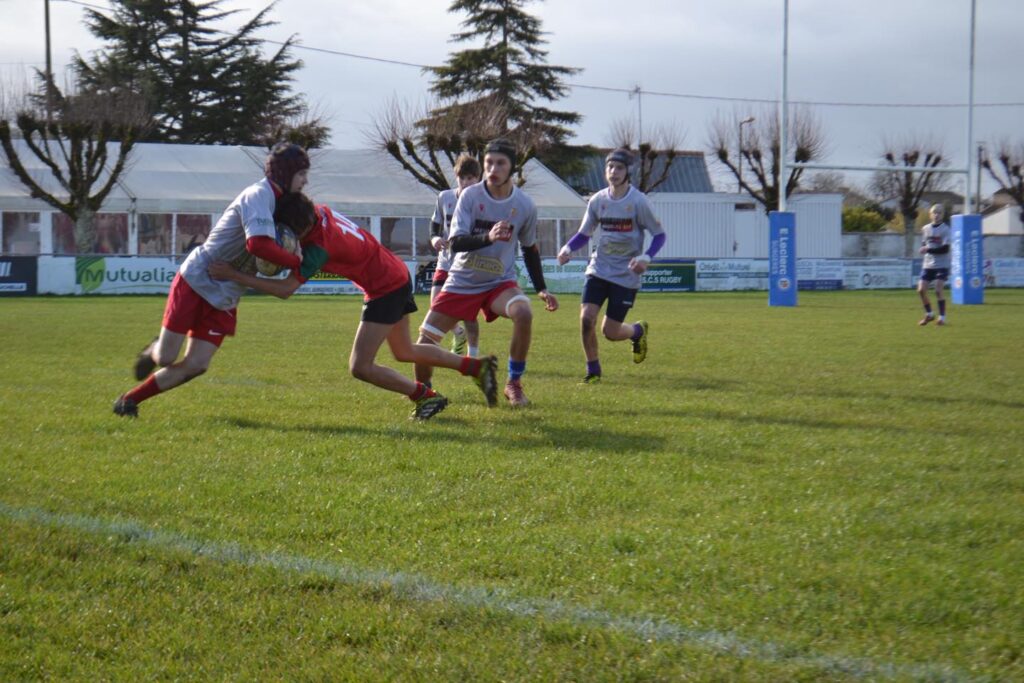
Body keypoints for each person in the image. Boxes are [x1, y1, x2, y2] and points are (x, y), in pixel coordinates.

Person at [208, 193, 499, 421]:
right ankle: (476, 366)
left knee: (360, 366)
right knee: (404, 352)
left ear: (300, 230)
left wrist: (235, 275)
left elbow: (286, 290)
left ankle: (426, 396)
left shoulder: (318, 247)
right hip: (393, 274)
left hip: (385, 286)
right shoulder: (317, 211)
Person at [113, 142, 311, 417]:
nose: (305, 180)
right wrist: (294, 261)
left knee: (197, 364)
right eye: (301, 173)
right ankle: (154, 348)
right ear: (287, 172)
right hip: (198, 279)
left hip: (227, 293)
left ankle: (128, 401)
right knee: (167, 357)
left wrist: (294, 247)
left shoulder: (281, 203)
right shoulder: (258, 195)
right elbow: (258, 246)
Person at [415, 138, 559, 408]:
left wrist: (541, 288)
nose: (493, 168)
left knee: (524, 312)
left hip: (498, 283)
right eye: (489, 162)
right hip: (462, 281)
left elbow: (529, 249)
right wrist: (488, 237)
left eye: (500, 163)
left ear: (512, 167)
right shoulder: (470, 196)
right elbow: (456, 242)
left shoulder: (525, 205)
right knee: (423, 346)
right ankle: (425, 395)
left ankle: (513, 384)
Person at [556, 148, 665, 383]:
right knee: (586, 319)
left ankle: (637, 331)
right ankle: (593, 371)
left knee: (611, 332)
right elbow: (584, 233)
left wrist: (646, 257)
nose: (613, 172)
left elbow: (659, 236)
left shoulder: (638, 202)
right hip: (599, 269)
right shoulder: (598, 200)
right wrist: (567, 248)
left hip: (626, 275)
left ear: (628, 173)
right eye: (610, 167)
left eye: (619, 168)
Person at [428, 153, 482, 358]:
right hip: (446, 260)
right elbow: (435, 224)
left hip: (469, 263)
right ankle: (458, 334)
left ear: (478, 178)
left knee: (469, 313)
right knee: (436, 304)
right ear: (456, 177)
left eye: (471, 178)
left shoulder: (482, 201)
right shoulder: (445, 197)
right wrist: (434, 239)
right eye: (463, 178)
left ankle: (473, 355)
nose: (467, 182)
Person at [917, 203, 951, 326]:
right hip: (928, 265)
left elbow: (945, 249)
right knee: (921, 290)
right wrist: (923, 248)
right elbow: (924, 244)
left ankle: (942, 317)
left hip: (941, 265)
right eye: (934, 212)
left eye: (939, 212)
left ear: (943, 215)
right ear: (930, 214)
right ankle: (929, 314)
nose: (936, 215)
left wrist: (928, 250)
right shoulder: (925, 229)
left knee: (938, 289)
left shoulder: (946, 229)